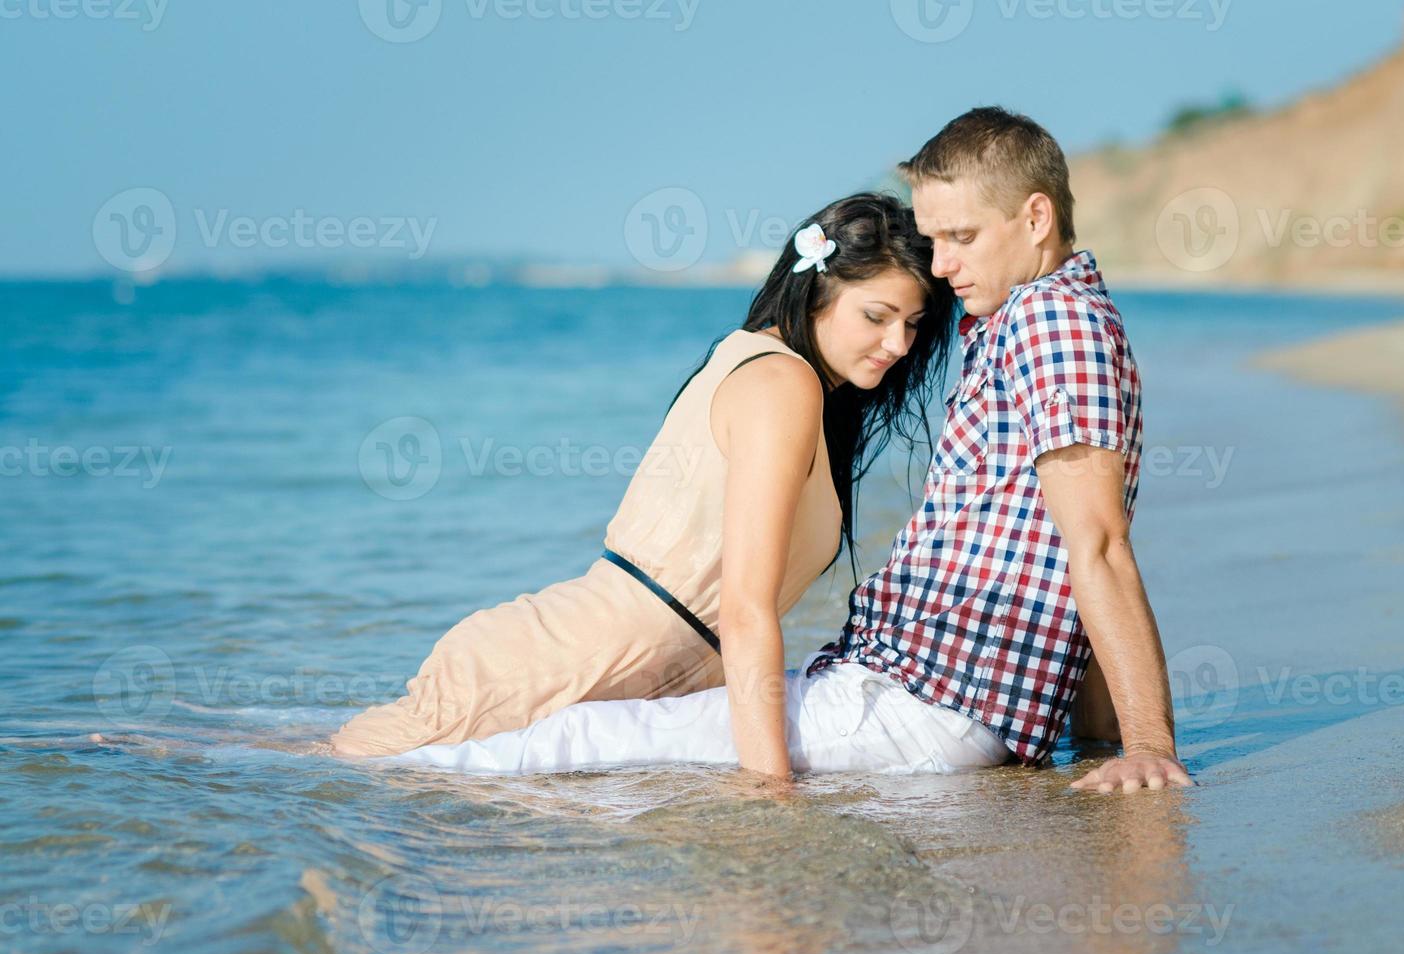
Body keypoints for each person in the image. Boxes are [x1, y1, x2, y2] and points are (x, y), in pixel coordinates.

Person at [383, 107, 1195, 795]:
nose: (942, 267)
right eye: (932, 244)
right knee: (556, 756)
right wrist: (1093, 738)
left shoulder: (1054, 327)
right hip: (910, 687)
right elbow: (1066, 549)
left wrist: (1146, 748)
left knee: (555, 755)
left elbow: (1096, 544)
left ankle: (332, 828)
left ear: (1037, 218)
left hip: (927, 699)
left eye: (960, 238)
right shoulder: (1017, 324)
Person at [329, 193, 957, 759]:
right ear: (817, 290)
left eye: (912, 324)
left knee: (294, 764)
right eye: (877, 316)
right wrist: (770, 788)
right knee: (313, 786)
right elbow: (744, 610)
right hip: (558, 672)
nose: (899, 344)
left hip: (603, 673)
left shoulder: (771, 371)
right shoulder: (780, 381)